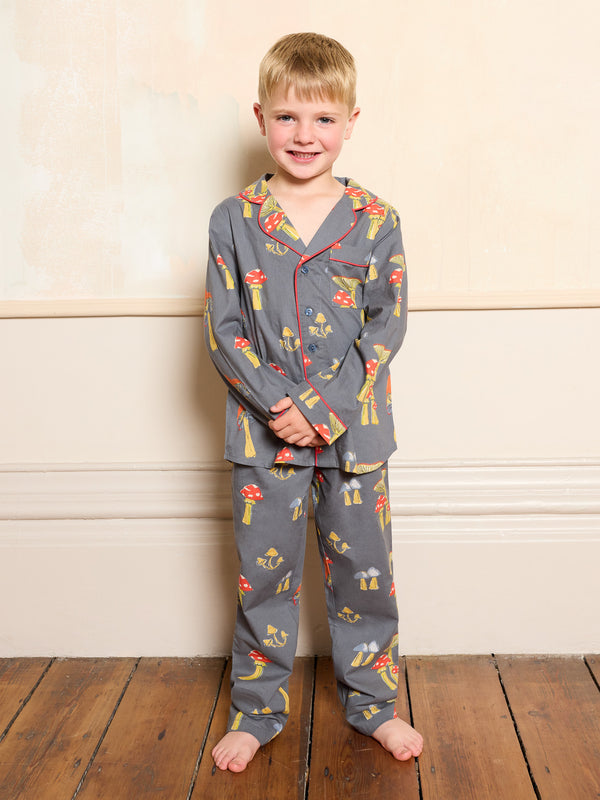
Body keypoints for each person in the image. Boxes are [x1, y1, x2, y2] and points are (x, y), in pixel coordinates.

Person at [204, 31, 423, 773]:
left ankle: (374, 705)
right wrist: (282, 408)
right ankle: (256, 710)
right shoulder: (234, 219)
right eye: (288, 117)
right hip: (263, 438)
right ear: (261, 118)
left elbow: (386, 325)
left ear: (351, 122)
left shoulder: (377, 219)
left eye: (324, 118)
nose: (305, 135)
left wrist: (324, 409)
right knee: (263, 580)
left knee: (366, 574)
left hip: (356, 438)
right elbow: (224, 331)